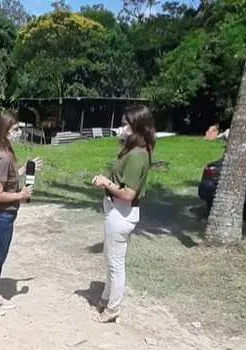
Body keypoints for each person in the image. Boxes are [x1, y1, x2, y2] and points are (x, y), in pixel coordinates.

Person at [91, 105, 156, 323]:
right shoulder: (133, 150)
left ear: (137, 126)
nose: (122, 128)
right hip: (116, 211)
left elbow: (128, 194)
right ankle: (106, 298)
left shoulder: (138, 155)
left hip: (122, 212)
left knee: (115, 263)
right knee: (110, 258)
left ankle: (113, 308)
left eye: (125, 124)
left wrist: (105, 182)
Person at [0, 110, 43, 317]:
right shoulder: (3, 158)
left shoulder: (1, 152)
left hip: (2, 217)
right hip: (0, 217)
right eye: (15, 129)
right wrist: (20, 195)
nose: (18, 132)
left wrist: (25, 169)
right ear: (4, 131)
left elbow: (7, 178)